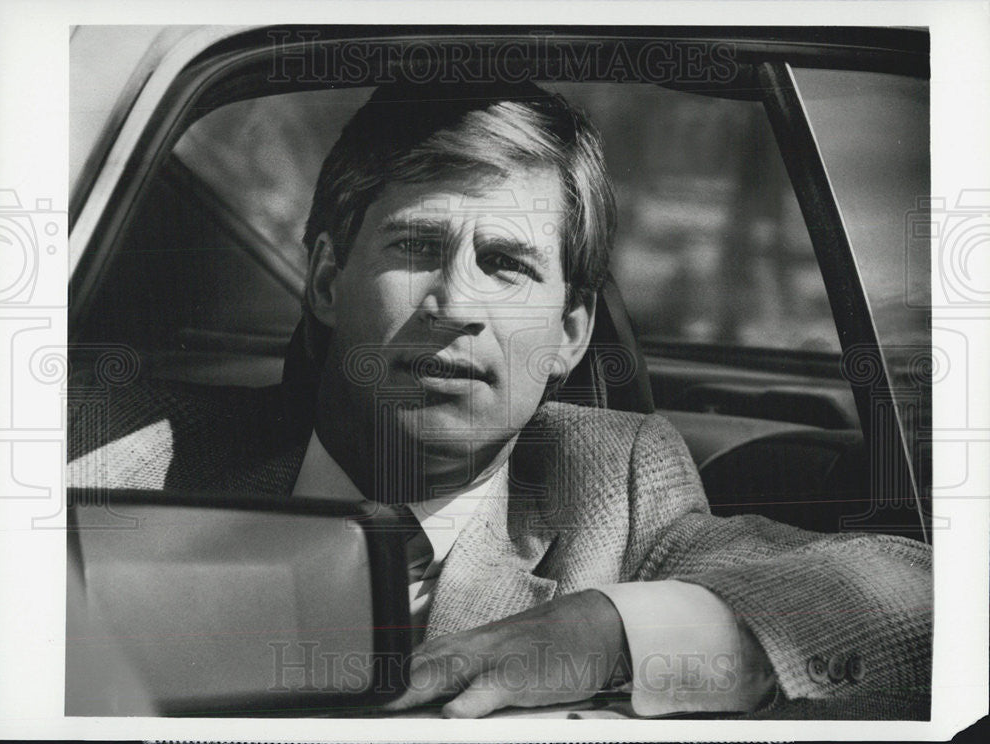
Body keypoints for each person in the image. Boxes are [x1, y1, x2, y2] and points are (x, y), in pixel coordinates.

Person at [67, 80, 932, 719]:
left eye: (508, 265)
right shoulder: (121, 441)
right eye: (417, 246)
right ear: (329, 282)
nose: (455, 305)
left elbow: (923, 598)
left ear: (570, 335)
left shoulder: (617, 494)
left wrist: (608, 633)